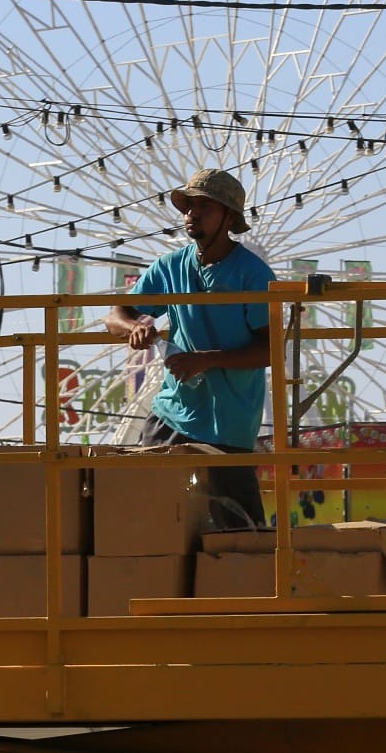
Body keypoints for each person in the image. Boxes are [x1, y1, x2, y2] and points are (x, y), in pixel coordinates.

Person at [105, 168, 276, 527]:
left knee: (239, 530)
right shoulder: (170, 267)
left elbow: (271, 349)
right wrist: (135, 326)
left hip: (227, 421)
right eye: (188, 206)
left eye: (204, 206)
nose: (192, 214)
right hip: (173, 411)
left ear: (229, 217)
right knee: (146, 516)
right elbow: (116, 315)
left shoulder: (253, 274)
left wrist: (207, 360)